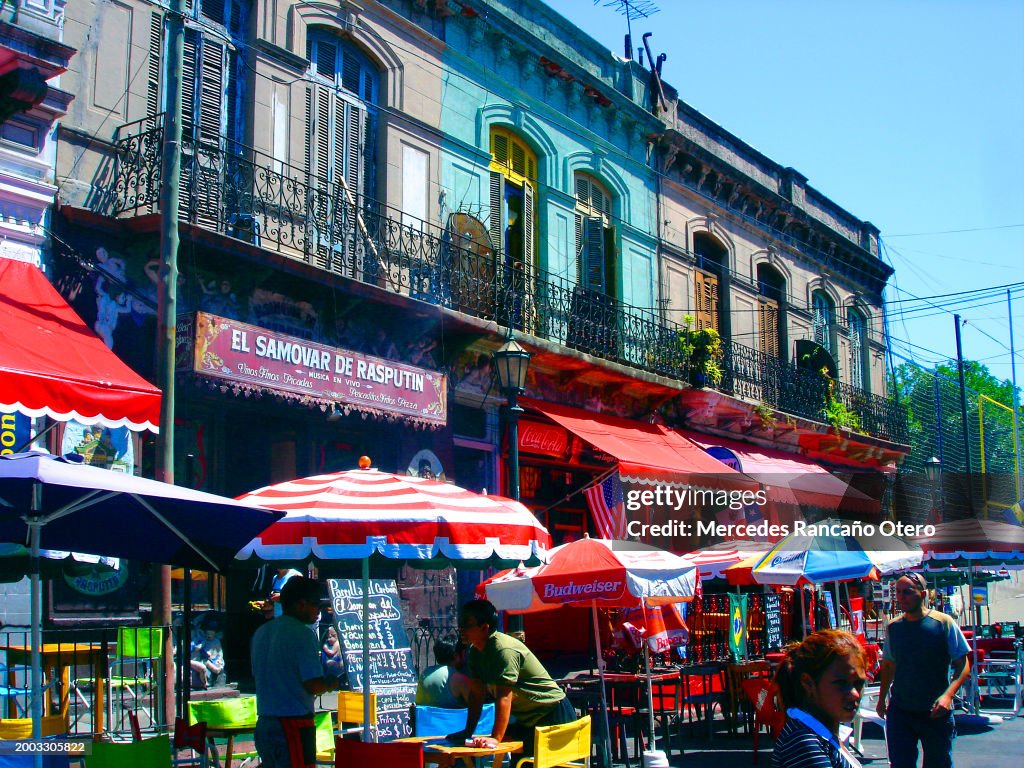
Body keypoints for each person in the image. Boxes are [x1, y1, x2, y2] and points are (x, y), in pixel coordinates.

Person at [449, 599, 575, 754]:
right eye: (460, 623)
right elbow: (476, 694)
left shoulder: (503, 650)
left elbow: (504, 697)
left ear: (484, 628)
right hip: (529, 720)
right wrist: (467, 732)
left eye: (467, 625)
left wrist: (496, 738)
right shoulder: (475, 652)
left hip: (553, 714)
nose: (460, 628)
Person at [875, 572, 971, 768]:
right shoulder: (894, 628)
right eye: (898, 592)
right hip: (901, 711)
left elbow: (963, 664)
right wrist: (882, 698)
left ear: (923, 593)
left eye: (908, 592)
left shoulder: (943, 623)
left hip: (935, 713)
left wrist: (948, 696)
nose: (902, 597)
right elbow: (889, 665)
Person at [252, 576, 340, 768]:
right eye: (316, 604)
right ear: (301, 604)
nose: (319, 611)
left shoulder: (261, 633)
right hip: (293, 724)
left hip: (265, 722)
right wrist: (331, 683)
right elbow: (313, 684)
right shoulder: (303, 634)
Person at [772, 629, 867, 768]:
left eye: (859, 684)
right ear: (808, 683)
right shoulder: (803, 743)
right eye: (841, 683)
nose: (855, 694)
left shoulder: (820, 735)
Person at [416, 639, 471, 708]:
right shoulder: (460, 679)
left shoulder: (425, 672)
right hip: (448, 718)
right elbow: (476, 707)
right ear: (456, 656)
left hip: (424, 718)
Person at [190, 618, 226, 690]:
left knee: (219, 664)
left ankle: (218, 669)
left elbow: (220, 651)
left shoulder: (216, 641)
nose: (209, 635)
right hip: (207, 659)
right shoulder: (204, 641)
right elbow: (203, 651)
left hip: (215, 659)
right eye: (208, 634)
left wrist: (219, 659)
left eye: (211, 634)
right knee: (206, 662)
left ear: (215, 634)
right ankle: (215, 671)